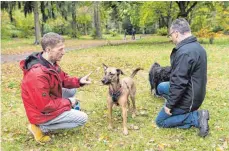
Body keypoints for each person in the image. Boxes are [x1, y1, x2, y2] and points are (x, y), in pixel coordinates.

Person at [20, 32, 91, 144]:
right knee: (82, 118)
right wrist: (68, 102)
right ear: (48, 50)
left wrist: (79, 81)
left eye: (64, 49)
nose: (64, 52)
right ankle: (40, 127)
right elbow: (44, 105)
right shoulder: (37, 74)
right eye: (60, 49)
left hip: (48, 101)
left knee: (72, 90)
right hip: (40, 113)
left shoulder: (50, 62)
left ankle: (62, 114)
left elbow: (63, 79)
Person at [155, 18, 209, 137]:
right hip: (195, 91)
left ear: (176, 33)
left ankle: (196, 117)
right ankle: (178, 108)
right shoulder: (197, 47)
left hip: (189, 98)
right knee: (161, 87)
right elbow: (180, 76)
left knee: (160, 121)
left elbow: (179, 83)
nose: (171, 38)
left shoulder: (185, 52)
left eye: (171, 35)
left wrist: (170, 105)